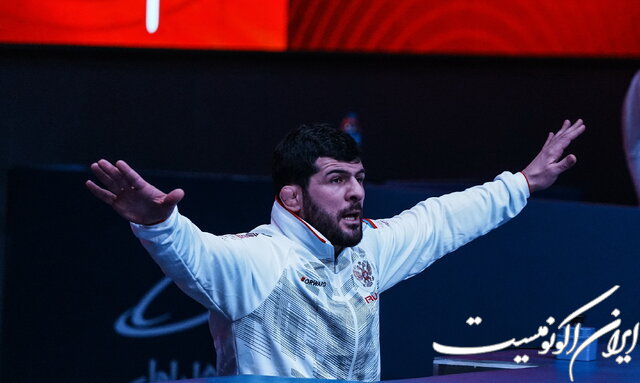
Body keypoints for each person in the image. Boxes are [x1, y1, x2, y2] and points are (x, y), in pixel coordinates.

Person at [86, 120, 585, 381]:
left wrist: (523, 182)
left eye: (359, 179)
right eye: (337, 179)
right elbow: (195, 255)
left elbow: (442, 220)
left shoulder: (367, 250)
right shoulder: (260, 260)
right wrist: (159, 224)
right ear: (292, 196)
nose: (356, 193)